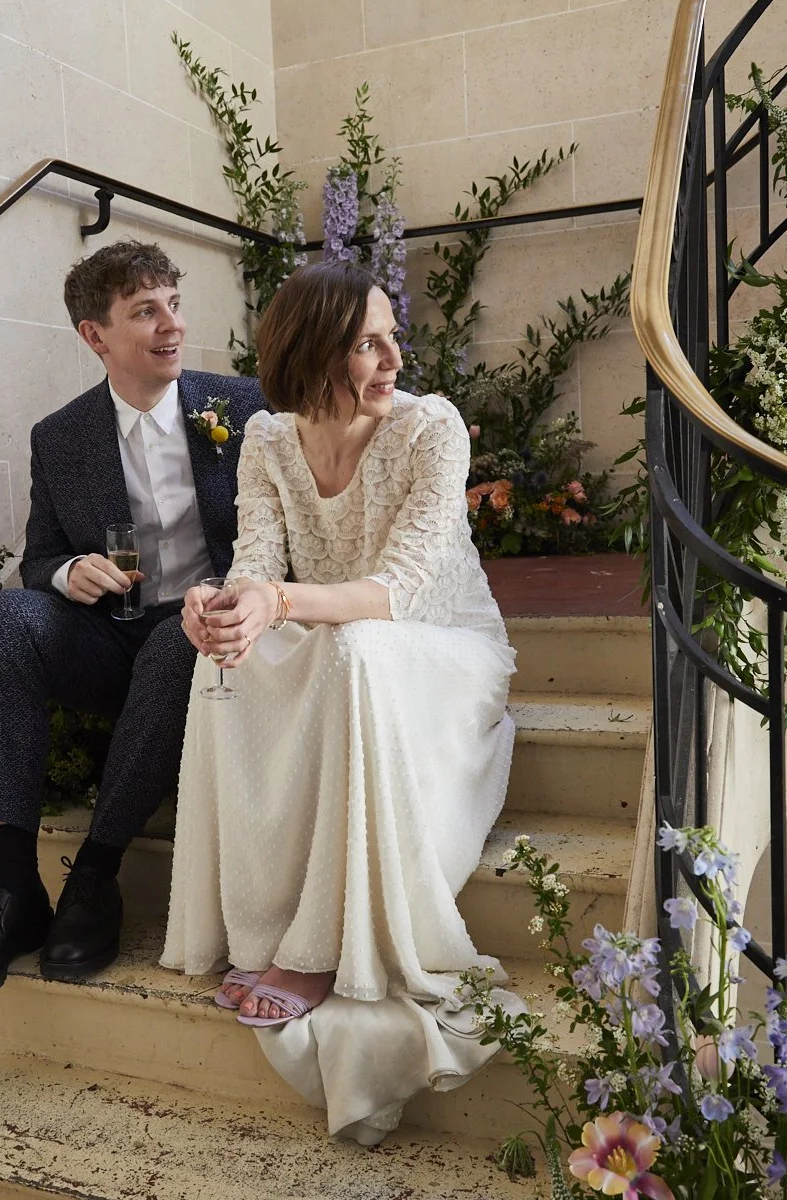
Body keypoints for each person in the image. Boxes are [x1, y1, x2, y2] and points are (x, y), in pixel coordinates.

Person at [160, 260, 520, 1142]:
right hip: (334, 634)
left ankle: (321, 949)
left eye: (392, 335)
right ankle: (245, 915)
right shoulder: (268, 440)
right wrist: (221, 607)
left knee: (353, 648)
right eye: (367, 342)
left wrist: (279, 603)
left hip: (443, 650)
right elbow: (258, 557)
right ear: (312, 352)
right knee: (221, 661)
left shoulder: (431, 429)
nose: (393, 357)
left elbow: (397, 591)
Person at [0, 240, 264, 1009]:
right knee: (0, 620)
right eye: (145, 311)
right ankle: (10, 891)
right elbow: (36, 559)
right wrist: (67, 574)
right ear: (95, 336)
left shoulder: (243, 407)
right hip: (110, 636)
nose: (169, 324)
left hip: (209, 636)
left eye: (174, 303)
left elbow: (287, 535)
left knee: (182, 637)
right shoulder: (61, 437)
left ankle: (96, 877)